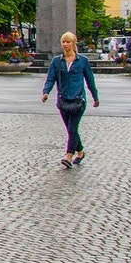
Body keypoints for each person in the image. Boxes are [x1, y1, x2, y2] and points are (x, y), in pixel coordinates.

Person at [42, 31, 99, 168]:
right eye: (64, 42)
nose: (65, 44)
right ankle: (80, 152)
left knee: (73, 128)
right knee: (70, 129)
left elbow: (90, 80)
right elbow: (51, 78)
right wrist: (46, 92)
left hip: (78, 100)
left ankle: (68, 156)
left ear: (74, 44)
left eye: (68, 42)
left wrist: (95, 96)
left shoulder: (82, 61)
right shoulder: (57, 61)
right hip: (63, 100)